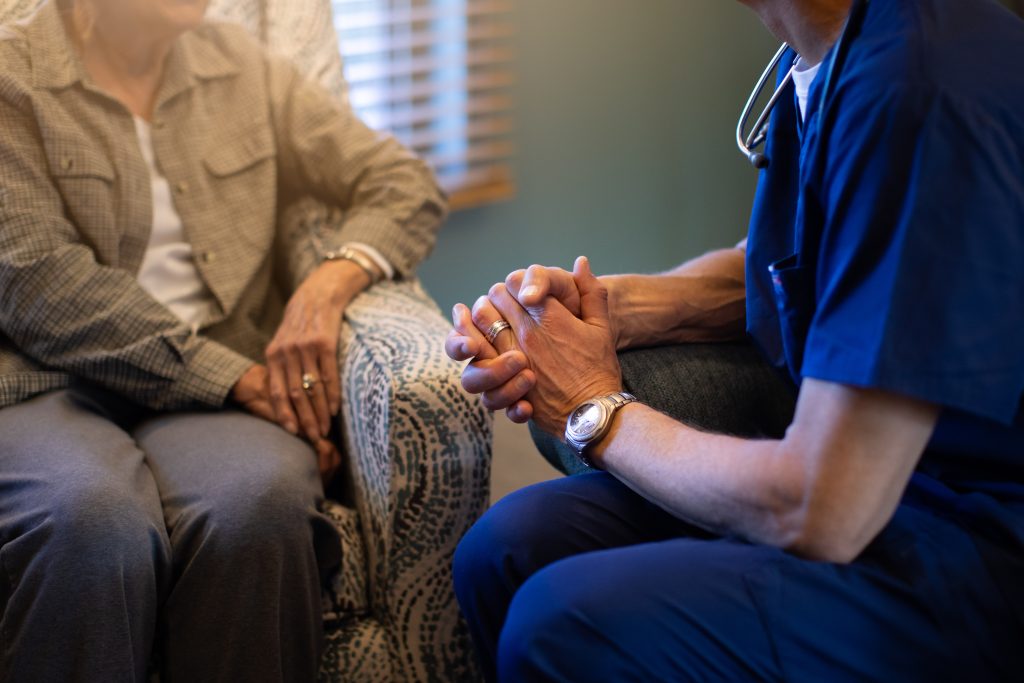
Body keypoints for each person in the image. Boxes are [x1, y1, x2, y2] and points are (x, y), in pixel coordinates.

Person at [445, 0, 1024, 680]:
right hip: (896, 492)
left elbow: (825, 505)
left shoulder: (920, 88)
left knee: (558, 622)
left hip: (975, 542)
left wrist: (593, 410)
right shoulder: (822, 50)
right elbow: (811, 254)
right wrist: (604, 310)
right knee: (507, 549)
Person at [0, 0, 445, 680]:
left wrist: (331, 281)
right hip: (48, 381)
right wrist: (241, 382)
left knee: (257, 507)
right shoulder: (12, 73)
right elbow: (39, 283)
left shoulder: (241, 66)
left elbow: (401, 180)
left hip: (215, 385)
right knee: (89, 522)